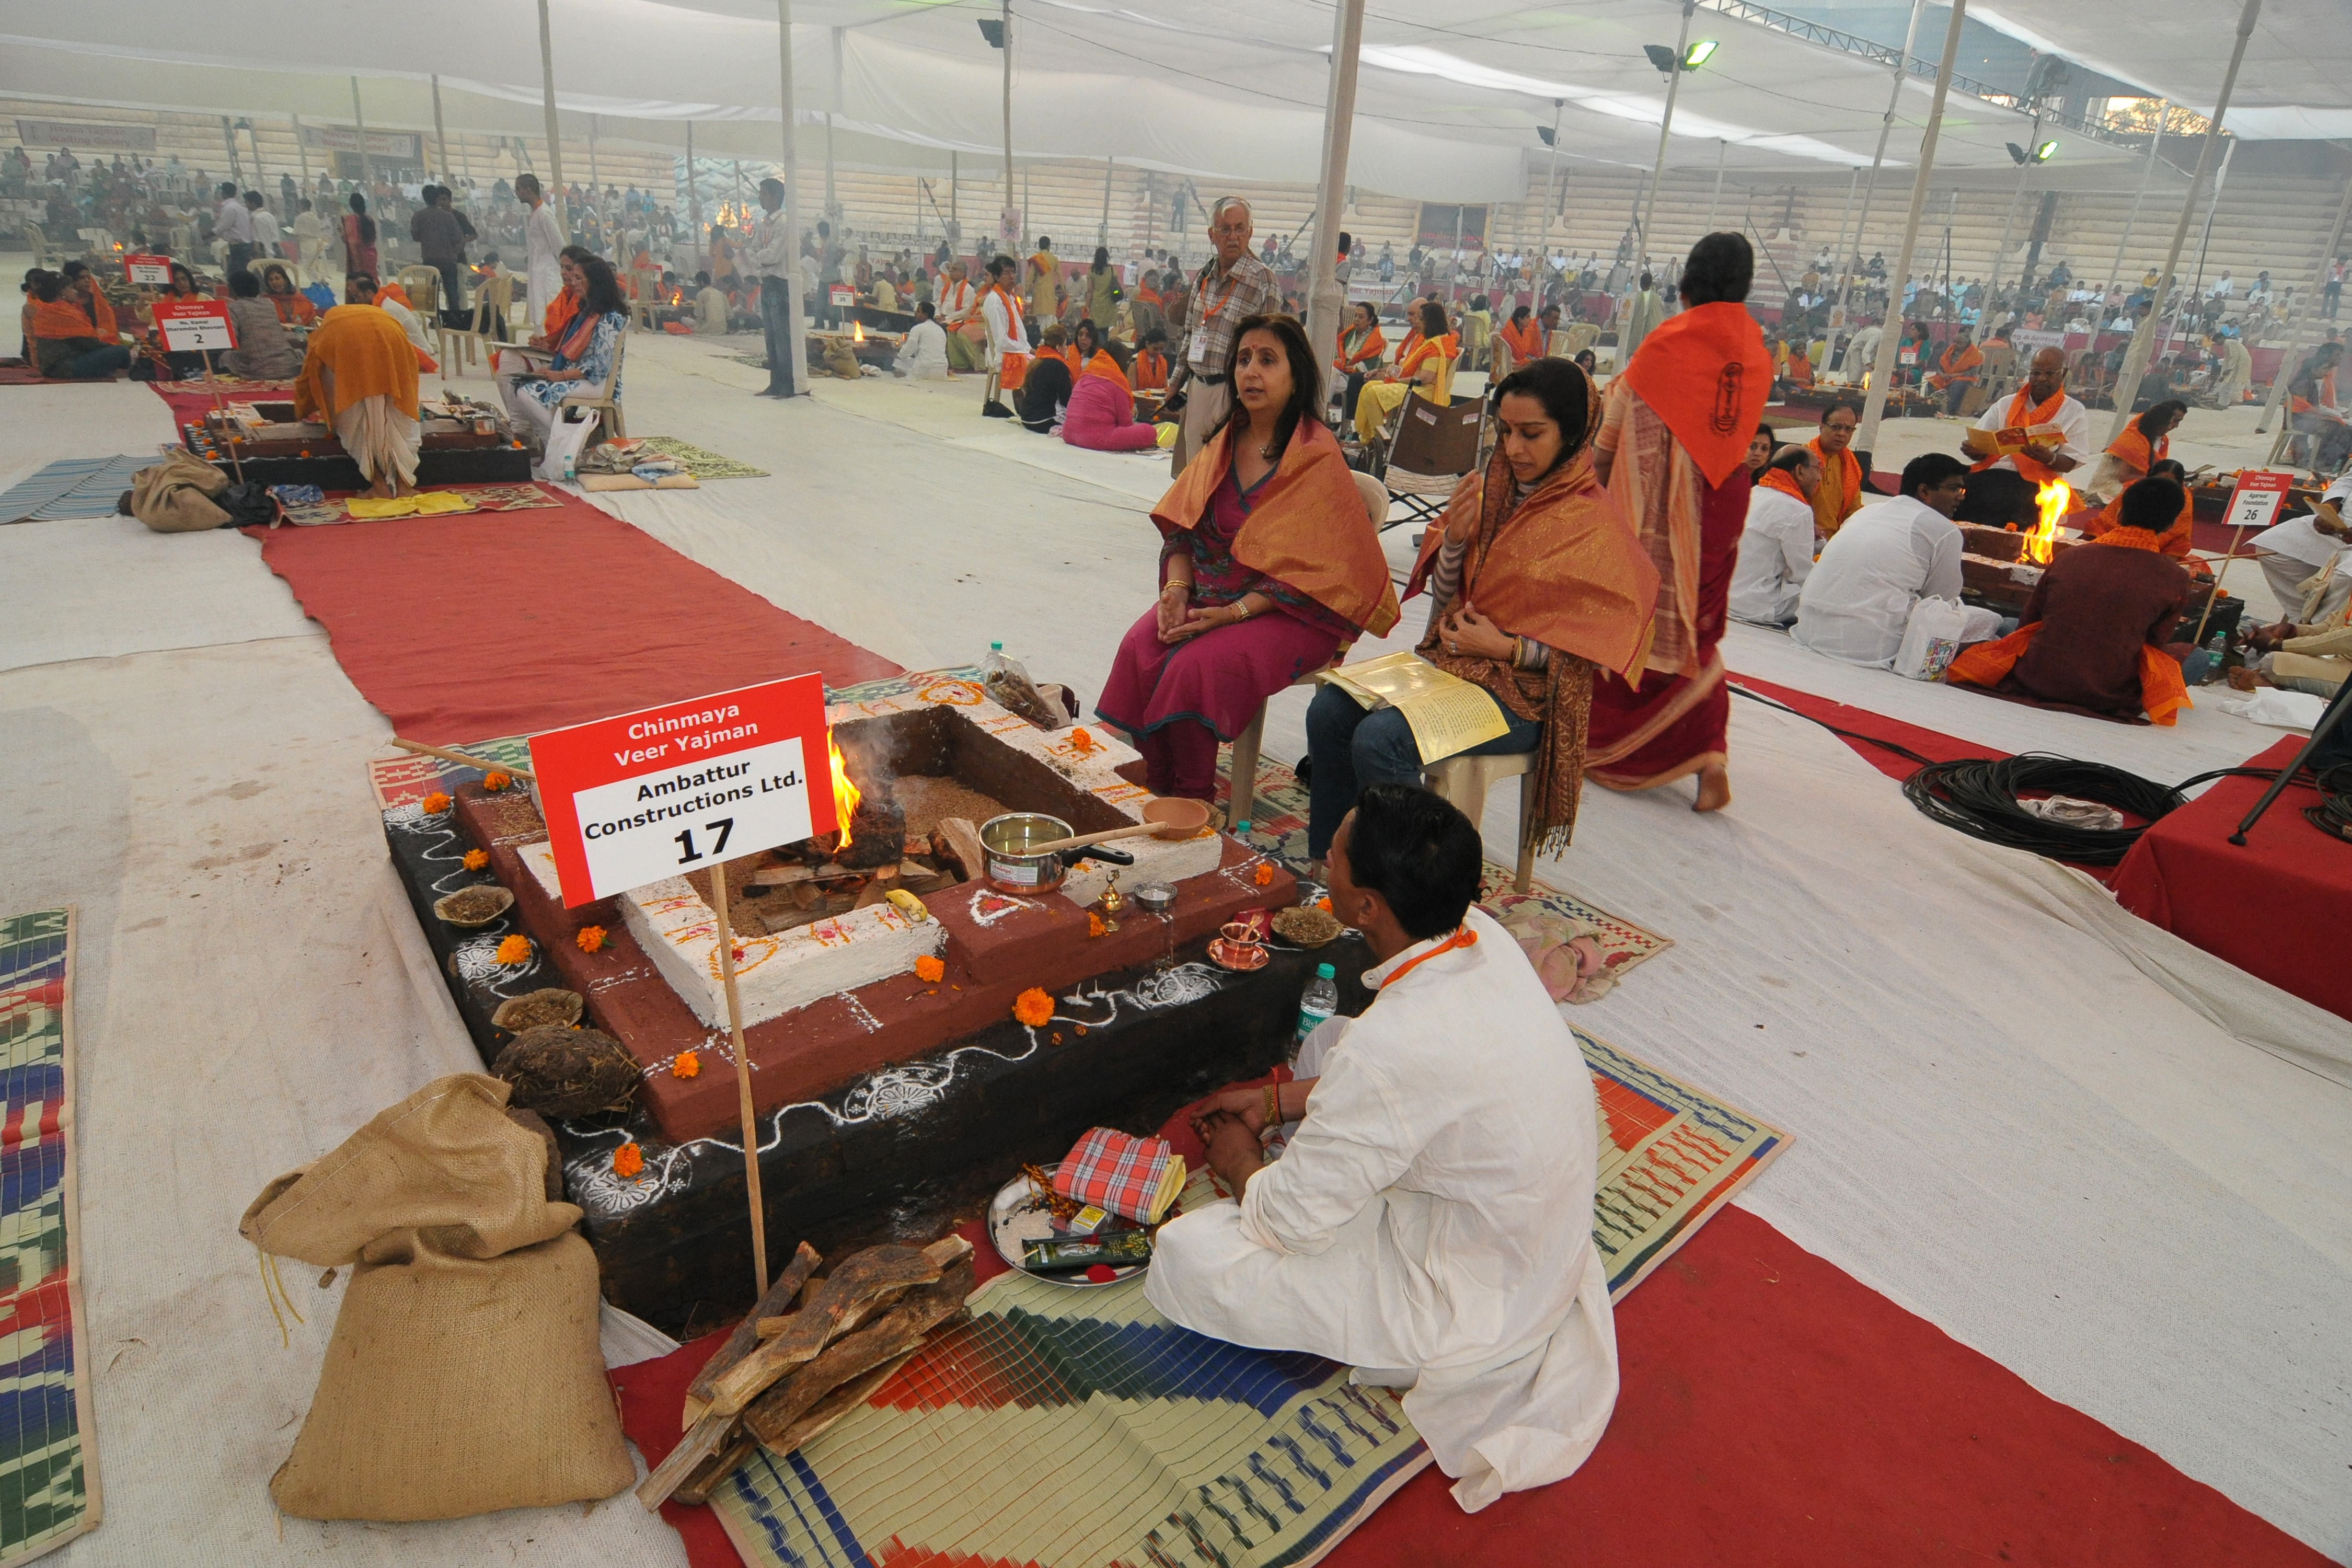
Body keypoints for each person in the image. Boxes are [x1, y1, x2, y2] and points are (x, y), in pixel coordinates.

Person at [1148, 782, 1618, 1515]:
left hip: (1474, 1293)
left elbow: (1284, 1224)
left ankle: (1395, 1332)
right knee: (1332, 1041)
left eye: (1334, 855)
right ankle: (1321, 1164)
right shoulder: (1478, 934)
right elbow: (1413, 1082)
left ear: (1366, 908)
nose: (1322, 858)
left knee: (1191, 1254)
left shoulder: (1393, 1049)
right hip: (1527, 1232)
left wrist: (1239, 1157)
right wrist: (1275, 1104)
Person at [1306, 358, 1658, 863]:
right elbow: (1447, 599)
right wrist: (1453, 541)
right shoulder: (1491, 493)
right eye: (1505, 431)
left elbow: (1594, 650)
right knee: (1329, 711)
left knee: (1381, 740)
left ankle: (1417, 881)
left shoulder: (1594, 524)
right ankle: (1335, 864)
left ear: (1573, 433)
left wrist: (1508, 649)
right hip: (1456, 665)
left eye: (1531, 434)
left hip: (1525, 699)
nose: (1513, 449)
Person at [1097, 314, 1400, 801]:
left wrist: (1233, 613)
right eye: (1243, 360)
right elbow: (1182, 532)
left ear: (1296, 376)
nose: (1251, 372)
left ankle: (1191, 802)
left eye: (1268, 360)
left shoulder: (1314, 455)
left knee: (1195, 667)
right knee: (1141, 645)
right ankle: (1158, 788)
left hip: (1293, 611)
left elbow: (1317, 572)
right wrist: (1177, 591)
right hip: (1211, 596)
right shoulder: (1225, 441)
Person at [1584, 233, 1771, 812]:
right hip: (1725, 500)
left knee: (1639, 619)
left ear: (1687, 282)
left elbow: (1613, 434)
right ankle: (1709, 757)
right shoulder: (1755, 347)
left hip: (1662, 508)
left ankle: (1621, 750)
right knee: (1696, 628)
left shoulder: (1670, 340)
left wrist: (1589, 485)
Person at [1946, 478, 2194, 724]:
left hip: (2036, 678)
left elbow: (2028, 623)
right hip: (2109, 694)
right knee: (2197, 657)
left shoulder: (2071, 557)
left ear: (2119, 515)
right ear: (2171, 524)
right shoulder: (2176, 577)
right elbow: (2155, 645)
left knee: (2009, 624)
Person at [1794, 452, 2001, 665]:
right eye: (1954, 489)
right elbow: (1942, 602)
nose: (1960, 496)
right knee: (1991, 621)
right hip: (1868, 646)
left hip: (1809, 629)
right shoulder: (1945, 531)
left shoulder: (1868, 512)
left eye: (1961, 490)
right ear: (1924, 491)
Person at [1162, 198, 1279, 475]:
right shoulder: (1204, 277)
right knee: (1194, 475)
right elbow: (1190, 335)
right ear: (1212, 235)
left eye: (1240, 228)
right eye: (1225, 229)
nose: (1233, 237)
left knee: (1226, 475)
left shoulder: (1263, 281)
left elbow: (1272, 349)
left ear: (1250, 232)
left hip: (1235, 393)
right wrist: (1175, 384)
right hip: (1198, 388)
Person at [293, 274, 421, 498]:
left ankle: (379, 486)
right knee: (397, 418)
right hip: (393, 343)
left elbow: (310, 376)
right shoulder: (380, 313)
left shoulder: (326, 328)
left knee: (356, 420)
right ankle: (404, 486)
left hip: (348, 347)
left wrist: (306, 409)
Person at [495, 255, 626, 447]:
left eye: (579, 279)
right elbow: (573, 353)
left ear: (596, 283)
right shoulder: (589, 312)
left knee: (526, 392)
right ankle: (548, 439)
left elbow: (598, 367)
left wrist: (562, 376)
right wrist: (550, 369)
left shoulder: (609, 317)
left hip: (598, 383)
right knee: (517, 384)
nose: (574, 283)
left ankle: (563, 440)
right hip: (581, 376)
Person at [1957, 347, 2090, 527]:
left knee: (2009, 500)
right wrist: (1974, 450)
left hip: (2036, 481)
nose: (2041, 379)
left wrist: (2049, 458)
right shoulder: (2006, 403)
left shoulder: (2074, 410)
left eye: (2049, 374)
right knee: (1955, 488)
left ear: (2063, 373)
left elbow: (2073, 460)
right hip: (1992, 471)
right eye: (2036, 373)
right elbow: (1982, 444)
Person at [1730, 445, 1821, 627]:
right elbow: (1802, 573)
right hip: (1756, 603)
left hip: (1725, 597)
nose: (1819, 477)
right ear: (1800, 471)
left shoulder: (1753, 493)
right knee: (1823, 597)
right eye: (1817, 469)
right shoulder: (1798, 510)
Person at [2248, 466, 2352, 625]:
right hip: (2342, 524)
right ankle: (2307, 617)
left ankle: (2319, 630)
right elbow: (2347, 481)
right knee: (2273, 547)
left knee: (2346, 576)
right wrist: (2330, 508)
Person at [1353, 299, 1457, 446]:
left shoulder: (1436, 345)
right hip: (1415, 385)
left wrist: (1398, 381)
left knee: (1373, 393)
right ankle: (1367, 439)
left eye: (1420, 318)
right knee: (1368, 387)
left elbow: (1425, 378)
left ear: (1431, 322)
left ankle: (1378, 443)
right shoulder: (1430, 340)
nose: (1416, 321)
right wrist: (1386, 372)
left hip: (1424, 391)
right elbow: (1407, 366)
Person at [1060, 327, 1159, 451]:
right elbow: (1125, 423)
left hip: (1069, 433)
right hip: (1096, 438)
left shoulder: (1088, 372)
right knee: (1149, 431)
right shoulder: (1116, 380)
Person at [2082, 400, 2186, 508]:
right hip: (2111, 488)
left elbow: (2158, 465)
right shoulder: (2134, 439)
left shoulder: (2163, 440)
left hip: (2138, 483)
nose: (2173, 427)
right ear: (2159, 424)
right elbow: (2123, 477)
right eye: (2172, 423)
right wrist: (2155, 479)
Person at [25, 271, 128, 379]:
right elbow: (89, 344)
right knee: (122, 351)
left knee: (115, 351)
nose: (75, 291)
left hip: (51, 366)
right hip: (65, 367)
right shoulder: (63, 313)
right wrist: (111, 346)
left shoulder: (46, 309)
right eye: (71, 288)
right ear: (62, 292)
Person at [745, 178, 793, 398]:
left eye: (763, 194)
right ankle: (775, 383)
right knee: (771, 337)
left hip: (779, 283)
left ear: (774, 197)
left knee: (782, 336)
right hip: (766, 281)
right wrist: (759, 259)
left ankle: (787, 385)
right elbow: (752, 250)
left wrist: (758, 259)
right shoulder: (765, 223)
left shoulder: (783, 223)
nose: (760, 197)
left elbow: (773, 256)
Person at [217, 268, 302, 381]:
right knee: (297, 353)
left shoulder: (233, 308)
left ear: (232, 290)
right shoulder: (269, 303)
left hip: (260, 370)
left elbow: (232, 340)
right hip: (289, 366)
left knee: (226, 356)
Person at [409, 185, 476, 328]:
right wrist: (453, 253)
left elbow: (415, 236)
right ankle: (455, 322)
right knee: (452, 294)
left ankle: (436, 322)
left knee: (432, 294)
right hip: (449, 261)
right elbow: (458, 238)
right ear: (436, 198)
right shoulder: (448, 217)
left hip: (430, 261)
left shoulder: (418, 216)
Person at [978, 255, 1032, 417]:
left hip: (1016, 349)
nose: (1012, 277)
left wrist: (1028, 349)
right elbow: (1001, 342)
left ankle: (1029, 403)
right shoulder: (996, 301)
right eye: (1007, 273)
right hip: (1004, 354)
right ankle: (1030, 407)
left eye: (1013, 272)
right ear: (997, 277)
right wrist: (1027, 350)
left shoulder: (1008, 298)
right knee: (1043, 367)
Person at [2287, 343, 2351, 474]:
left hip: (2314, 417)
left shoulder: (2319, 378)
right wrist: (2334, 415)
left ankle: (2336, 461)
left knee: (2343, 428)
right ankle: (2321, 461)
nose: (2340, 359)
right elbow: (2306, 407)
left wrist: (2334, 414)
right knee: (2338, 428)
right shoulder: (2309, 382)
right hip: (2303, 419)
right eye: (2337, 355)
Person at [1807, 400, 1865, 539]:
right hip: (1805, 533)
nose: (1842, 434)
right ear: (1821, 427)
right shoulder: (1804, 459)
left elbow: (1853, 509)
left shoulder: (1850, 464)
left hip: (1836, 538)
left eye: (1849, 429)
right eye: (1836, 427)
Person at [515, 173, 563, 333]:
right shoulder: (535, 214)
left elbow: (559, 246)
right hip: (538, 274)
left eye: (518, 189)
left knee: (549, 320)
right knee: (539, 321)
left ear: (528, 190)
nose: (517, 193)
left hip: (548, 276)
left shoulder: (544, 214)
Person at [1333, 301, 1386, 424]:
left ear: (1370, 320)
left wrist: (1350, 367)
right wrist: (1340, 362)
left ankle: (1322, 411)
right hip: (1340, 374)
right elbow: (1338, 353)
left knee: (1330, 377)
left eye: (1361, 317)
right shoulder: (1349, 334)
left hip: (1356, 378)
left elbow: (1370, 366)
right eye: (1355, 316)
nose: (1356, 320)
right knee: (1329, 375)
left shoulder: (1375, 340)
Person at [936, 259, 985, 373]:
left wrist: (946, 318)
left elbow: (965, 311)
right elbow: (938, 304)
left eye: (954, 270)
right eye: (950, 269)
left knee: (945, 328)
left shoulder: (968, 289)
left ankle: (958, 364)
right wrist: (937, 315)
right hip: (943, 318)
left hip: (958, 320)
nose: (951, 271)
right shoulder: (947, 287)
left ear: (962, 273)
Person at [892, 299, 950, 379]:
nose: (915, 313)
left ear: (925, 315)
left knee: (898, 362)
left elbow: (909, 349)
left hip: (924, 370)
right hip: (941, 371)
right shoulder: (940, 330)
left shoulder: (918, 328)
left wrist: (898, 355)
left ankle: (903, 374)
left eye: (918, 312)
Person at [1929, 331, 1983, 416]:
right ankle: (1931, 406)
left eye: (1959, 343)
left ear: (1967, 343)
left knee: (1956, 384)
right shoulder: (1950, 350)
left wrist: (1957, 375)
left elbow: (1973, 372)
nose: (1956, 345)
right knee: (1932, 381)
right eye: (1955, 342)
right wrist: (1942, 374)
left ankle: (1947, 410)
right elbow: (1940, 367)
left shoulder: (1974, 353)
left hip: (1964, 378)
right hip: (1947, 376)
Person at [1492, 304, 1542, 384]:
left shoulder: (1525, 332)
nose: (1531, 319)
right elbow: (1507, 357)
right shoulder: (1508, 332)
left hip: (1519, 363)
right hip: (1507, 364)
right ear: (1520, 319)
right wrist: (1526, 362)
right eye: (1528, 317)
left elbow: (1527, 352)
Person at [257, 262, 317, 328]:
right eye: (271, 280)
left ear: (285, 280)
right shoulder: (266, 301)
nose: (274, 282)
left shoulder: (300, 299)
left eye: (277, 278)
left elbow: (311, 322)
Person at [214, 180, 255, 275]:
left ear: (223, 193)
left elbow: (223, 226)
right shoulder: (240, 208)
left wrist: (209, 234)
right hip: (244, 245)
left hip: (238, 247)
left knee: (235, 274)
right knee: (241, 272)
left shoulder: (229, 208)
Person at [338, 191, 379, 284]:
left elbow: (351, 240)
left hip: (358, 256)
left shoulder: (351, 219)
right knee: (372, 281)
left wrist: (343, 232)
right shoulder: (370, 219)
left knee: (359, 283)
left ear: (351, 205)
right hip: (371, 255)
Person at [1622, 270, 1664, 360]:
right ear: (1651, 284)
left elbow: (1627, 316)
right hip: (1653, 336)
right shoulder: (1657, 298)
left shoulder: (1635, 298)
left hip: (1637, 334)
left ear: (1641, 284)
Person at [1025, 236, 1065, 329]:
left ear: (1039, 246)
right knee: (1050, 318)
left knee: (1041, 320)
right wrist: (1064, 290)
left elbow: (1030, 278)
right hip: (1050, 293)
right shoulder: (1054, 259)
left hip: (1039, 293)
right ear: (1049, 246)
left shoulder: (1036, 259)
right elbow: (1060, 276)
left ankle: (1045, 335)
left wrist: (1025, 291)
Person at [1079, 245, 1121, 331]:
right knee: (1105, 330)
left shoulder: (1091, 271)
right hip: (1109, 304)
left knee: (1096, 330)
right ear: (1107, 257)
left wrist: (1087, 305)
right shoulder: (1112, 271)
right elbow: (1116, 287)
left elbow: (1090, 291)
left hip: (1096, 305)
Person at [245, 191, 282, 266]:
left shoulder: (258, 218)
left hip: (265, 251)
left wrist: (269, 258)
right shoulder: (269, 216)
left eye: (247, 202)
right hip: (274, 248)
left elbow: (265, 238)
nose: (246, 205)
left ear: (253, 203)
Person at [690, 271, 729, 335]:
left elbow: (699, 315)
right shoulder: (721, 294)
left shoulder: (701, 294)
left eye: (697, 283)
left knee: (684, 320)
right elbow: (729, 315)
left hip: (707, 329)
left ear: (701, 282)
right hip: (723, 329)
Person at [1133, 326, 1170, 393]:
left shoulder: (1163, 363)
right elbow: (1132, 391)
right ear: (1147, 344)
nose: (1159, 352)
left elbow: (1165, 389)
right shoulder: (1135, 362)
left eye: (1161, 349)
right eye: (1156, 349)